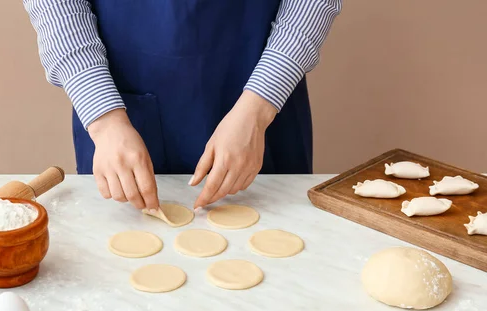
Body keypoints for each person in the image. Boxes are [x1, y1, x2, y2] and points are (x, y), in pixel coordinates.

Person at [23, 1, 341, 211]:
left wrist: (258, 108)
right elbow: (55, 7)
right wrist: (105, 121)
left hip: (264, 97)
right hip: (119, 108)